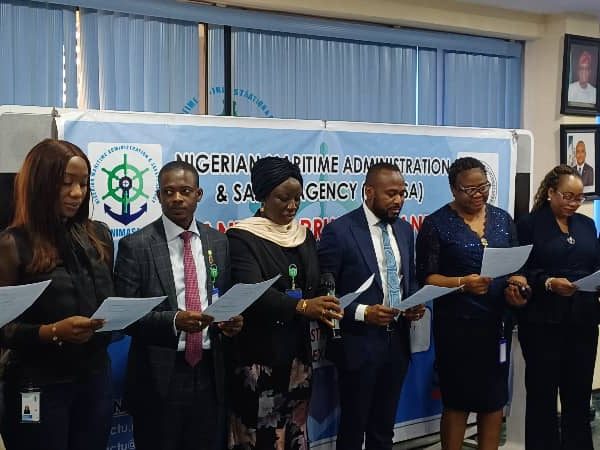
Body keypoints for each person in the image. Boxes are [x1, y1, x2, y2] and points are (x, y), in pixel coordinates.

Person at [114, 161, 243, 450]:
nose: (177, 198)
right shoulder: (137, 245)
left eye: (185, 191)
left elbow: (222, 298)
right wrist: (174, 321)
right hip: (159, 374)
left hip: (210, 372)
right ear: (158, 196)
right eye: (168, 192)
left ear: (198, 194)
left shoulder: (218, 241)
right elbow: (126, 318)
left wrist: (230, 322)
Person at [0, 139, 114, 450]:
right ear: (41, 184)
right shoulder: (12, 244)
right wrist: (52, 331)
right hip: (38, 384)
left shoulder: (99, 236)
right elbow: (4, 328)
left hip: (94, 379)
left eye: (83, 183)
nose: (77, 193)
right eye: (66, 183)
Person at [226, 156, 342, 450]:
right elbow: (252, 291)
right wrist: (302, 307)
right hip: (259, 358)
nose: (292, 206)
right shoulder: (242, 237)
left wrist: (326, 298)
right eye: (283, 198)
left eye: (297, 198)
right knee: (261, 436)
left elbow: (312, 284)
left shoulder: (304, 235)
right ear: (262, 196)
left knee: (294, 431)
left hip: (298, 358)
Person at [415, 157, 528, 450]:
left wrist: (518, 283)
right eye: (470, 189)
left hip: (497, 326)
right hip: (458, 330)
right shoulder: (436, 224)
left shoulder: (502, 219)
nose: (479, 194)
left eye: (484, 187)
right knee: (458, 402)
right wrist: (462, 283)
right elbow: (427, 278)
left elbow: (515, 265)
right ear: (454, 189)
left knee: (494, 401)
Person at [318, 162, 425, 450]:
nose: (398, 200)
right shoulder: (339, 232)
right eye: (391, 194)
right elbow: (324, 292)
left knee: (383, 429)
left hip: (397, 343)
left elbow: (409, 278)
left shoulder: (405, 230)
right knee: (353, 429)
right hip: (357, 345)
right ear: (368, 192)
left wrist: (414, 302)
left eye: (402, 193)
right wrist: (364, 313)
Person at [517, 165, 600, 450]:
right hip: (543, 322)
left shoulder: (586, 225)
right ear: (551, 192)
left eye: (579, 198)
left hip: (583, 320)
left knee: (578, 395)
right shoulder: (529, 224)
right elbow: (520, 270)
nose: (574, 203)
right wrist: (549, 282)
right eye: (568, 196)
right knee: (542, 395)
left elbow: (594, 263)